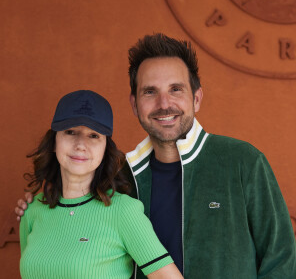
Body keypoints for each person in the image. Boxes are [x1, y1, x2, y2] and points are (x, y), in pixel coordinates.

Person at [16, 34, 296, 279]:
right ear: (135, 104)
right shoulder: (120, 176)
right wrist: (34, 202)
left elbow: (282, 262)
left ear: (197, 98)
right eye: (150, 92)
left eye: (176, 90)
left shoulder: (242, 162)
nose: (164, 104)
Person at [18, 90, 183, 279]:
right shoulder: (31, 210)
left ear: (105, 148)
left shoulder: (124, 212)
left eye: (94, 135)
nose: (81, 144)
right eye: (70, 132)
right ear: (54, 142)